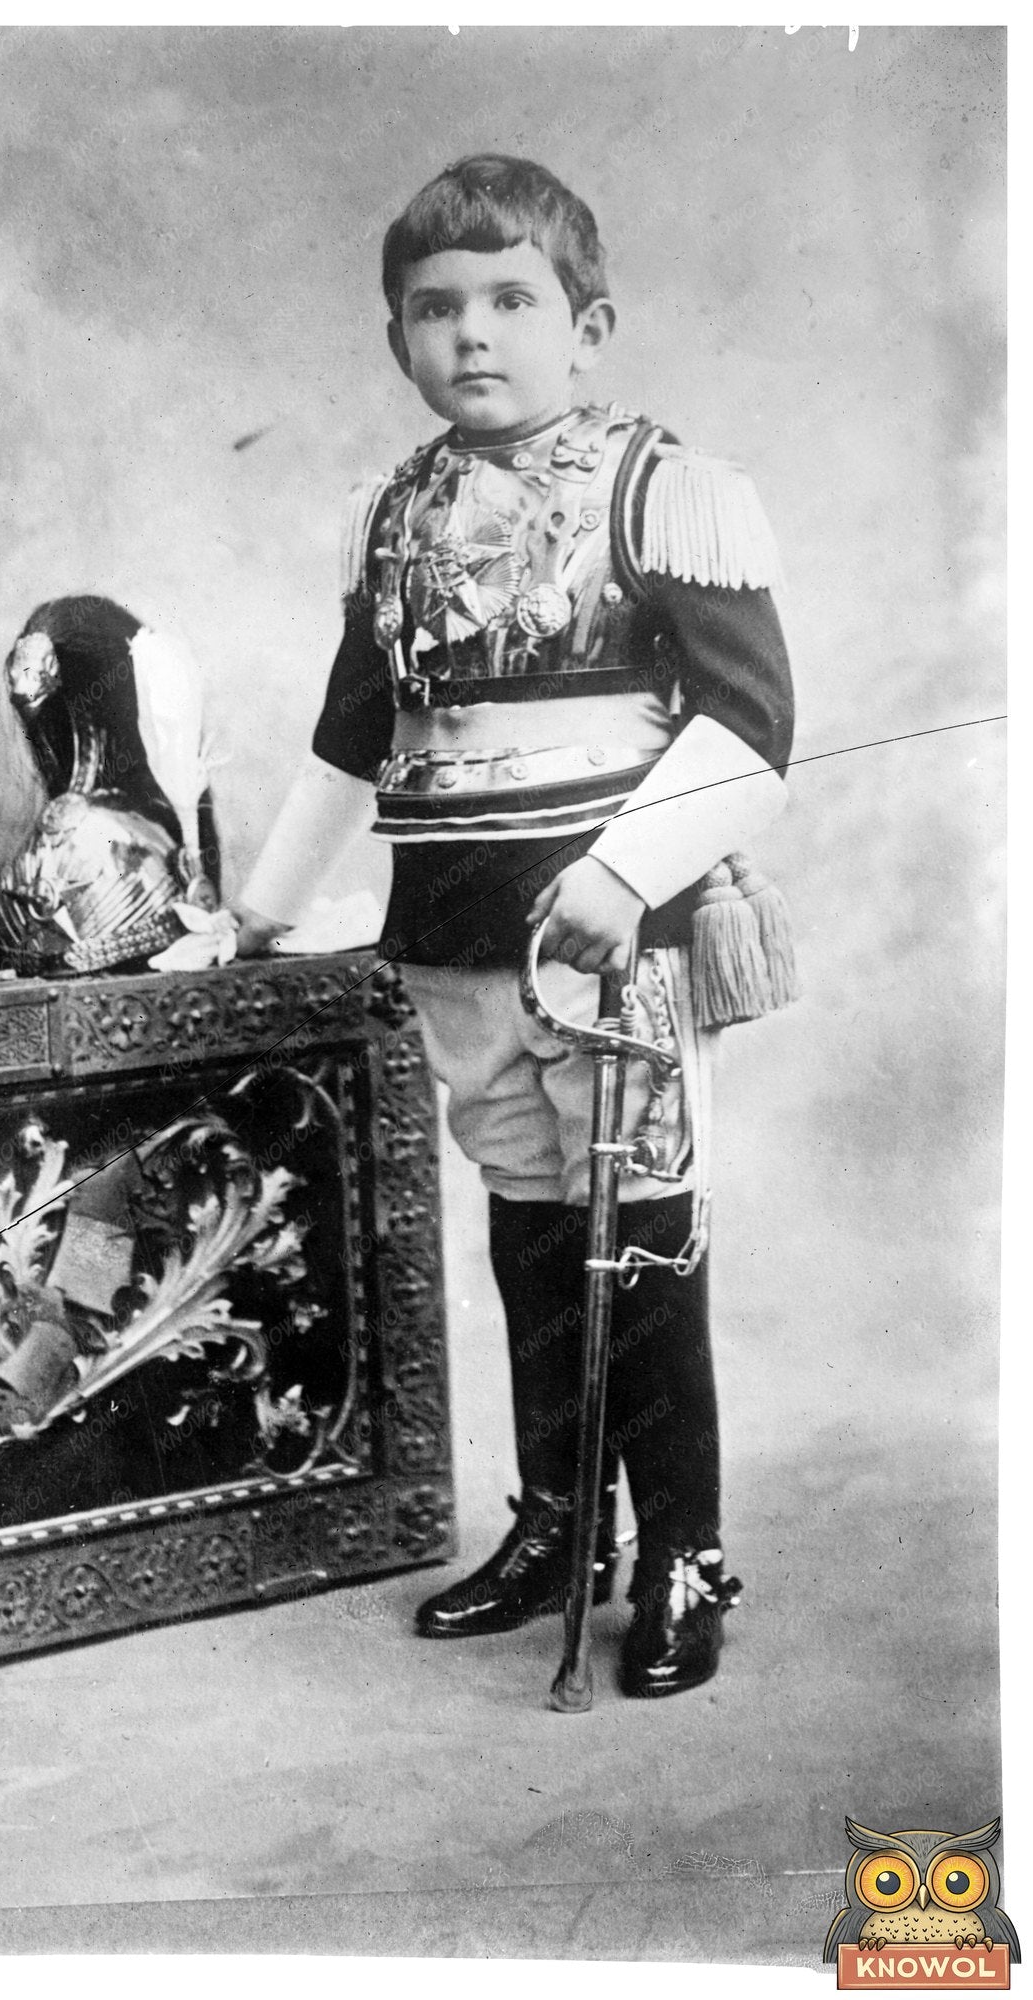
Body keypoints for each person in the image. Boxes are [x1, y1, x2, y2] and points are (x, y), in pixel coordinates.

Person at [233, 154, 795, 1698]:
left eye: (509, 300)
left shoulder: (660, 489)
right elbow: (353, 736)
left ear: (587, 324)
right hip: (454, 931)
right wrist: (262, 909)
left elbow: (749, 733)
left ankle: (680, 1548)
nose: (470, 335)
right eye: (433, 309)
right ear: (395, 338)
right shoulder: (391, 514)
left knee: (643, 1242)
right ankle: (560, 1526)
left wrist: (623, 875)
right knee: (533, 1240)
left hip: (616, 933)